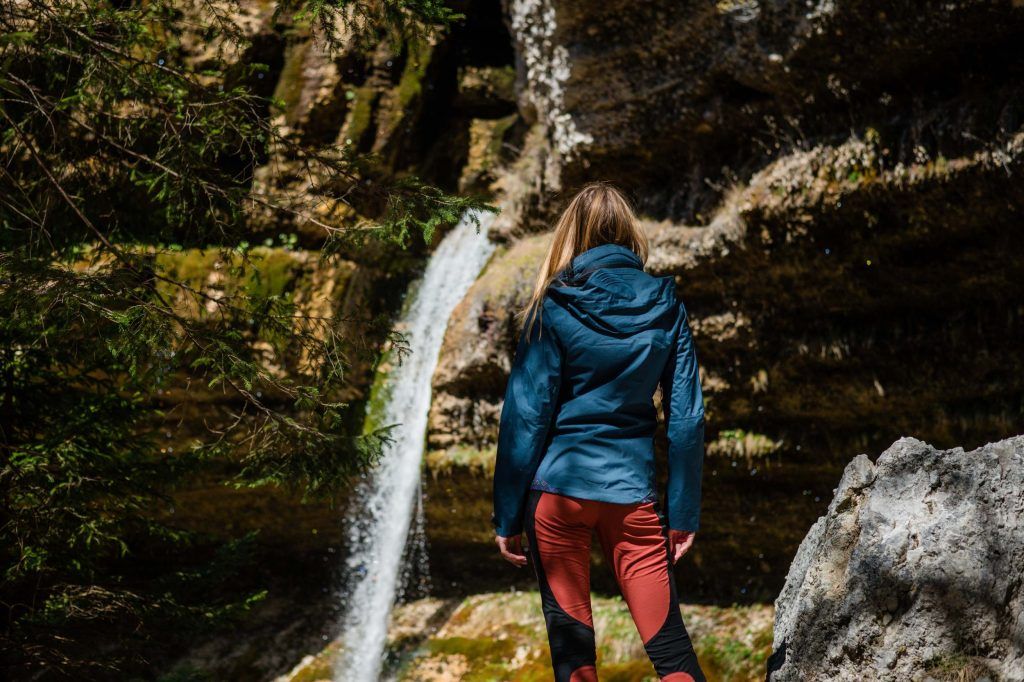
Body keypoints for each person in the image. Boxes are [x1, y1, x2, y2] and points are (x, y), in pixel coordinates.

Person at [490, 182, 707, 682]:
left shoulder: (554, 306)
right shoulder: (666, 305)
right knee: (672, 653)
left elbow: (525, 418)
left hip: (557, 496)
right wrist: (684, 510)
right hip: (632, 497)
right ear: (629, 234)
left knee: (574, 658)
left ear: (572, 235)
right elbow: (686, 419)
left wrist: (506, 516)